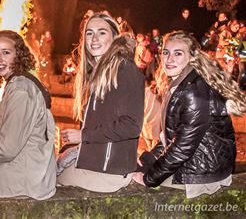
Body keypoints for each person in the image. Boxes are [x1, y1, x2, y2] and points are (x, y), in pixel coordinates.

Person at [133, 31, 244, 198]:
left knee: (138, 185)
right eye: (166, 52)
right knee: (137, 167)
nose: (169, 59)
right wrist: (149, 158)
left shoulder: (194, 91)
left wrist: (150, 178)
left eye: (178, 53)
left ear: (192, 57)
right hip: (198, 163)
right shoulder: (181, 83)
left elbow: (183, 146)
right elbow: (174, 137)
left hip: (204, 172)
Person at [0, 30, 57, 200]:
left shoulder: (20, 89)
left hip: (24, 178)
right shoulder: (20, 83)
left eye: (6, 52)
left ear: (19, 55)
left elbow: (7, 148)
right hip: (27, 172)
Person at [56, 13, 144, 192]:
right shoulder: (97, 74)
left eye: (102, 33)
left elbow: (131, 126)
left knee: (47, 183)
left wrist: (84, 136)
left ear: (114, 37)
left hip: (110, 172)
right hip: (96, 164)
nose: (94, 38)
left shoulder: (125, 70)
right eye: (89, 33)